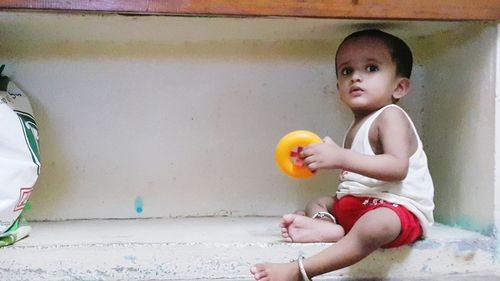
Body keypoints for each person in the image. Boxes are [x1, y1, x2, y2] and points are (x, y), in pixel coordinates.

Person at [250, 29, 434, 281]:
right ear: (339, 87)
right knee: (319, 203)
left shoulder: (391, 116)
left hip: (395, 210)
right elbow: (357, 171)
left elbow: (396, 167)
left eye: (371, 68)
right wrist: (318, 158)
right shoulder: (357, 124)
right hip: (359, 203)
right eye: (347, 71)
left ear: (399, 87)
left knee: (376, 224)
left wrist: (339, 157)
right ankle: (331, 229)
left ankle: (299, 271)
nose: (356, 77)